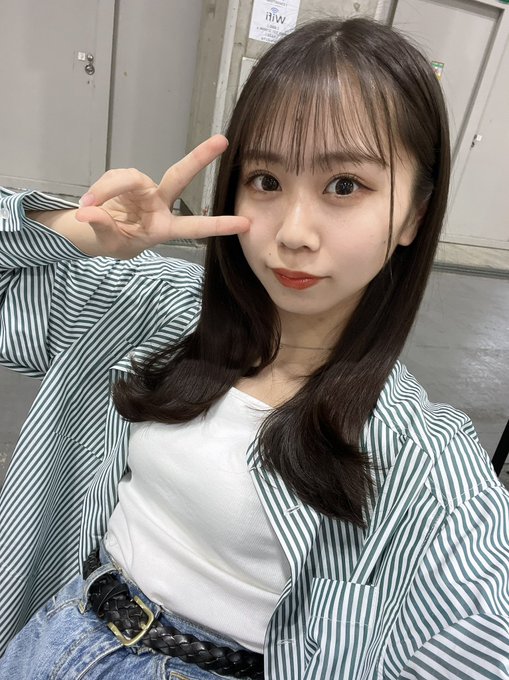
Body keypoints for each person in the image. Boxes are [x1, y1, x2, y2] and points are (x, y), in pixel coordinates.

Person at [0, 16, 507, 680]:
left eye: (344, 185)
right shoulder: (150, 307)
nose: (293, 233)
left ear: (413, 213)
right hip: (49, 638)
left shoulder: (420, 455)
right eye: (266, 180)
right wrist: (73, 229)